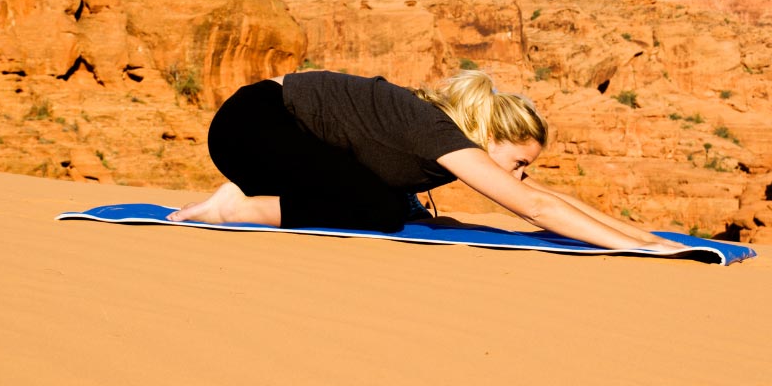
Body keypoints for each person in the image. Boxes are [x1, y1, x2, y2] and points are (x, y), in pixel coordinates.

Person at [169, 69, 683, 251]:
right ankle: (233, 208)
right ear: (487, 137)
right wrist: (642, 253)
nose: (521, 175)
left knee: (391, 204)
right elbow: (534, 209)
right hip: (252, 127)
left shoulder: (442, 133)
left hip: (272, 130)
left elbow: (542, 197)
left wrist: (643, 237)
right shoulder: (441, 133)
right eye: (518, 162)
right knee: (380, 210)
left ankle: (249, 197)